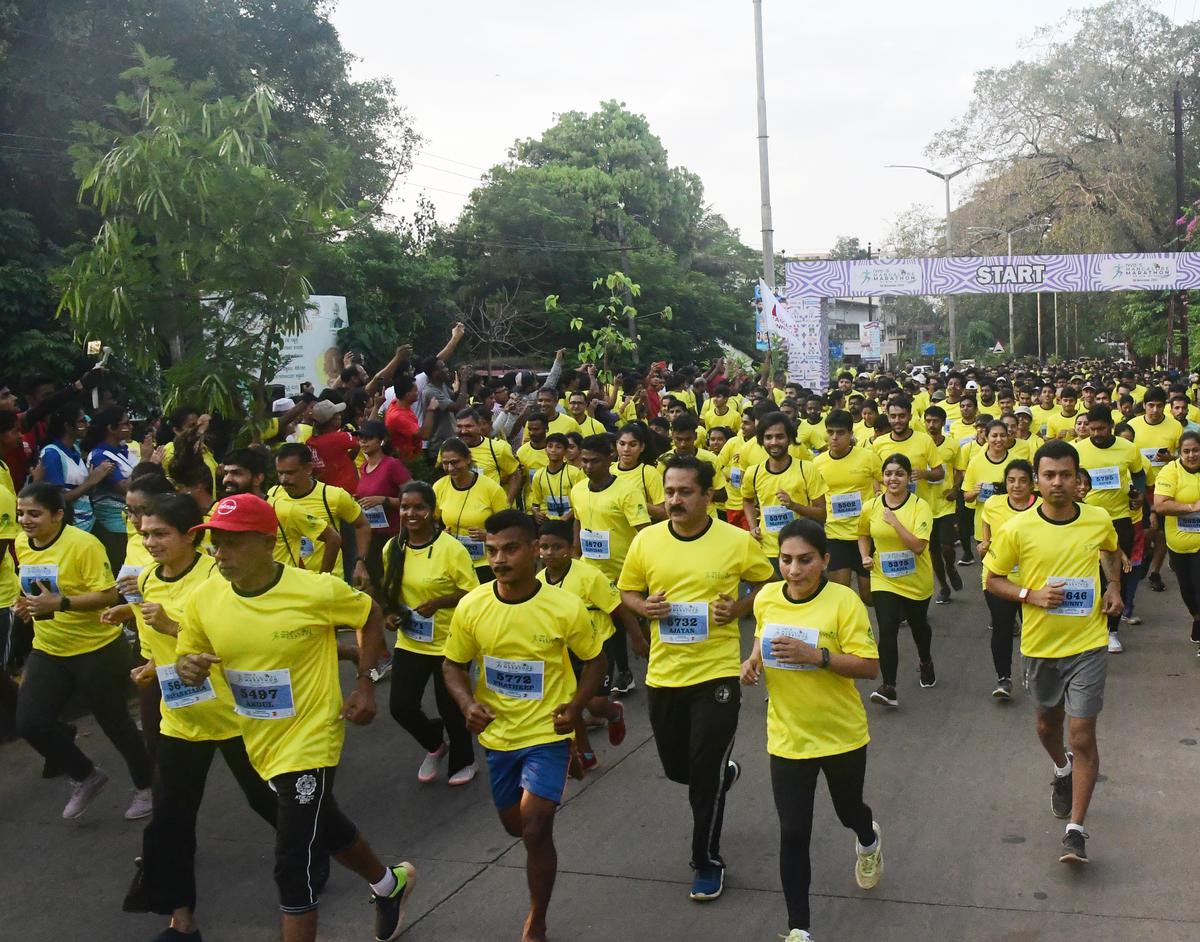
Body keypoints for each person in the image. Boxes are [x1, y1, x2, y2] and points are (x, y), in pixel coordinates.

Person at [174, 493, 417, 942]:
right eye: (214, 542)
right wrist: (188, 667)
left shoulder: (314, 590)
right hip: (259, 739)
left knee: (293, 863)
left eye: (232, 542)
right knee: (327, 825)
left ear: (268, 543)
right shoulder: (202, 599)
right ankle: (389, 884)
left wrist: (364, 683)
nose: (219, 553)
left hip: (311, 737)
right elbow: (190, 654)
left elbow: (369, 613)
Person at [114, 493, 279, 941]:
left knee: (269, 802)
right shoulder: (146, 579)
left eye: (161, 533)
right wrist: (150, 667)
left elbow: (240, 639)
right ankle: (181, 922)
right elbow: (156, 647)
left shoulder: (219, 577)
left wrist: (173, 625)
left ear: (191, 535)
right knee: (169, 823)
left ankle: (316, 850)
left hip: (236, 715)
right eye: (145, 533)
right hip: (181, 721)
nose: (150, 542)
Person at [442, 510, 606, 942]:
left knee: (535, 828)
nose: (499, 559)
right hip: (499, 736)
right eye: (491, 550)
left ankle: (537, 920)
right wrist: (466, 703)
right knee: (515, 826)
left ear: (535, 550)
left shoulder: (564, 606)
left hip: (547, 732)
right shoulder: (472, 606)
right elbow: (452, 666)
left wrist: (575, 707)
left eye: (510, 548)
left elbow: (595, 660)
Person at [618, 455, 774, 902]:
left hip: (717, 674)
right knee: (677, 769)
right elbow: (628, 589)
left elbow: (766, 582)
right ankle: (721, 776)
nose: (674, 500)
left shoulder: (735, 541)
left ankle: (706, 860)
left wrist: (739, 608)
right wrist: (643, 607)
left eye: (685, 492)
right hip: (666, 674)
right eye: (669, 491)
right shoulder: (647, 541)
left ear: (708, 495)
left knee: (703, 776)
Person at [740, 518, 882, 942]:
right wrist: (753, 662)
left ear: (825, 560)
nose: (794, 570)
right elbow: (763, 638)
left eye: (805, 560)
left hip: (841, 735)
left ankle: (868, 837)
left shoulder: (844, 602)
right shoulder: (766, 596)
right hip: (787, 737)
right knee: (794, 832)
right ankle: (798, 928)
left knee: (847, 811)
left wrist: (816, 656)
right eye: (785, 560)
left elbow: (870, 667)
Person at [984, 439, 1123, 865]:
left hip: (1088, 644)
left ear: (1078, 479)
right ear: (1038, 481)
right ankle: (1062, 770)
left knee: (1082, 734)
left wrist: (1114, 586)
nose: (1057, 482)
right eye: (1049, 475)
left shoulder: (1098, 518)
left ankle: (1076, 831)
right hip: (1041, 647)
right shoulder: (1017, 529)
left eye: (1065, 474)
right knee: (1047, 727)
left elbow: (1111, 550)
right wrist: (1031, 594)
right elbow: (992, 579)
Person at [13, 482, 153, 820]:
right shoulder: (22, 544)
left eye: (35, 513)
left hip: (97, 649)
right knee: (31, 723)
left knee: (115, 723)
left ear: (58, 514)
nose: (26, 520)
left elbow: (109, 595)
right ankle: (86, 776)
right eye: (21, 513)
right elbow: (33, 590)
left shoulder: (83, 545)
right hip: (49, 648)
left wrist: (60, 602)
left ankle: (148, 787)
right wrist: (24, 605)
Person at [377, 480, 481, 785]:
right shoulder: (392, 548)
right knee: (401, 706)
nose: (411, 513)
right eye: (405, 506)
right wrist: (390, 613)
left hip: (450, 642)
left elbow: (472, 593)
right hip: (411, 640)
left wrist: (440, 602)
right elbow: (390, 589)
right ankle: (435, 743)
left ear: (432, 511)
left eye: (419, 507)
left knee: (451, 707)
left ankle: (465, 761)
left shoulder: (451, 549)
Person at [536, 519, 637, 771]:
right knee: (570, 705)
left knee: (594, 704)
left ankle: (613, 712)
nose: (550, 553)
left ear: (571, 548)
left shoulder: (589, 576)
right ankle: (585, 753)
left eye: (557, 547)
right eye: (544, 547)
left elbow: (618, 608)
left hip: (597, 648)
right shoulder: (537, 581)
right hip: (561, 653)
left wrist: (638, 637)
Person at [572, 434, 652, 696]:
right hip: (591, 573)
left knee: (636, 624)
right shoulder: (578, 490)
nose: (587, 466)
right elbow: (578, 520)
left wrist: (640, 571)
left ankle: (657, 662)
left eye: (594, 461)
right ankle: (622, 673)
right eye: (584, 461)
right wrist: (575, 554)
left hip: (625, 575)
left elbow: (644, 532)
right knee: (609, 628)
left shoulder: (627, 491)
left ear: (609, 458)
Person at [857, 453, 936, 707]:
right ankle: (888, 686)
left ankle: (925, 660)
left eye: (899, 474)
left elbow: (918, 547)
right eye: (888, 473)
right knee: (887, 628)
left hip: (916, 580)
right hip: (884, 578)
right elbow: (862, 533)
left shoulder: (919, 506)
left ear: (907, 478)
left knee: (919, 626)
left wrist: (894, 521)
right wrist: (865, 556)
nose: (893, 479)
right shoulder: (871, 506)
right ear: (883, 476)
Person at [1073, 405, 1142, 653]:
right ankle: (1089, 626)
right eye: (1092, 430)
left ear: (1111, 425)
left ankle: (1112, 631)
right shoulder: (1078, 449)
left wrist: (1139, 495)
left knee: (1116, 576)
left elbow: (1140, 475)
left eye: (1101, 429)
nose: (1096, 434)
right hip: (1086, 519)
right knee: (1088, 573)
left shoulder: (1128, 448)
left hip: (1120, 518)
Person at [221, 448, 342, 575]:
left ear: (258, 478)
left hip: (284, 590)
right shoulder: (223, 511)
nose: (227, 480)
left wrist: (321, 580)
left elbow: (333, 538)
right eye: (226, 473)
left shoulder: (284, 510)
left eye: (236, 473)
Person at [977, 459, 1038, 699]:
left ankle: (1032, 672)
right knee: (1002, 627)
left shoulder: (1042, 506)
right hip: (997, 578)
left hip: (1033, 579)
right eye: (1011, 480)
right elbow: (986, 521)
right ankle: (1004, 679)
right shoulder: (993, 503)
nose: (1017, 486)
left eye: (1023, 480)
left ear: (1032, 483)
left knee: (1032, 629)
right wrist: (985, 541)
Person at [269, 443, 370, 587]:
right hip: (290, 583)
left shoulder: (334, 496)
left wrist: (360, 561)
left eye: (290, 473)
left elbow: (362, 524)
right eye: (280, 473)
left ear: (308, 469)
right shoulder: (273, 494)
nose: (284, 479)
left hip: (329, 582)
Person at [741, 411, 828, 576]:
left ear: (789, 439)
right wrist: (753, 527)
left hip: (804, 550)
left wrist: (794, 506)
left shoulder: (806, 469)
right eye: (768, 437)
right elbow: (747, 501)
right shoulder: (753, 472)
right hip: (770, 551)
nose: (774, 442)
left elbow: (821, 514)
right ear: (761, 440)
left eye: (780, 436)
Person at [814, 410, 881, 604]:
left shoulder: (868, 457)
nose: (834, 437)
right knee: (841, 597)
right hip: (836, 536)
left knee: (868, 597)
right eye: (830, 432)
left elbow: (885, 481)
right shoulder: (818, 463)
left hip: (866, 534)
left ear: (851, 434)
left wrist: (880, 501)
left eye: (840, 432)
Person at [432, 437, 510, 580]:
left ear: (468, 459)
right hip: (453, 560)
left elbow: (509, 528)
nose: (450, 468)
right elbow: (432, 521)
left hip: (486, 563)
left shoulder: (491, 488)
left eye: (455, 462)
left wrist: (488, 536)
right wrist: (441, 534)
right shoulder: (439, 487)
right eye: (445, 463)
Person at [1151, 430, 1200, 648]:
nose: (1191, 455)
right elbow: (1161, 505)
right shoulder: (1170, 472)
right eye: (1186, 451)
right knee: (1188, 592)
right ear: (1179, 453)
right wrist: (1191, 507)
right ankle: (1197, 619)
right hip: (1178, 545)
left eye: (1196, 450)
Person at [1129, 387, 1179, 593]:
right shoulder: (1132, 426)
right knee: (1147, 530)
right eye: (1151, 405)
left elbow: (1183, 456)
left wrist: (1171, 459)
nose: (1155, 410)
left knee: (1162, 534)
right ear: (1144, 406)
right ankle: (1145, 553)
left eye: (1159, 406)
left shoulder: (1175, 427)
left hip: (1168, 486)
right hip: (1142, 487)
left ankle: (1155, 572)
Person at [353, 420, 412, 595]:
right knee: (375, 582)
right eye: (361, 438)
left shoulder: (392, 465)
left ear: (382, 440)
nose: (363, 442)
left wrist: (384, 500)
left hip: (392, 535)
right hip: (371, 534)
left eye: (368, 438)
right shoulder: (364, 467)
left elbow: (415, 498)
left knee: (392, 583)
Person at [39, 405, 113, 534]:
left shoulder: (75, 450)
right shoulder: (52, 454)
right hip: (71, 526)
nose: (87, 425)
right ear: (67, 426)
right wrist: (91, 481)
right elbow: (57, 498)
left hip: (88, 522)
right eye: (81, 421)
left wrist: (99, 476)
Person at [81, 406, 137, 571]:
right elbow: (125, 488)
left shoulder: (123, 451)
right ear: (111, 428)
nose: (131, 427)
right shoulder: (100, 455)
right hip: (113, 523)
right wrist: (148, 460)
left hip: (129, 518)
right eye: (125, 423)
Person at [919, 404, 963, 604]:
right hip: (924, 505)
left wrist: (955, 489)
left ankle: (951, 567)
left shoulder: (952, 445)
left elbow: (960, 470)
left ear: (943, 423)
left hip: (945, 503)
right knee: (933, 550)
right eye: (928, 421)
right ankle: (943, 586)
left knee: (946, 546)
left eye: (935, 421)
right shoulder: (919, 445)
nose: (931, 425)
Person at [457, 407, 521, 506]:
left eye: (468, 426)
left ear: (478, 426)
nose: (463, 431)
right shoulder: (450, 448)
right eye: (459, 426)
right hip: (464, 508)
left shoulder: (499, 448)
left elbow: (515, 475)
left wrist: (508, 502)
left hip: (494, 511)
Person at [613, 423, 667, 522]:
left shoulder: (649, 473)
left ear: (642, 447)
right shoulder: (608, 470)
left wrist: (635, 502)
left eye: (632, 445)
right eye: (622, 444)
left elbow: (663, 512)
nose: (626, 449)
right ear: (616, 444)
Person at [528, 432, 584, 523]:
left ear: (565, 451)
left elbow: (581, 502)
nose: (553, 450)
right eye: (550, 446)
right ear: (545, 450)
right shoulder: (539, 475)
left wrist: (566, 518)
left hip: (569, 521)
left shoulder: (574, 473)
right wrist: (536, 513)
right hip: (547, 521)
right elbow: (535, 504)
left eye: (558, 447)